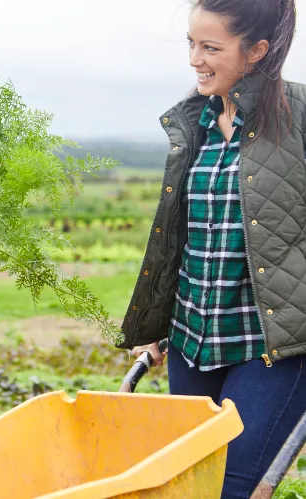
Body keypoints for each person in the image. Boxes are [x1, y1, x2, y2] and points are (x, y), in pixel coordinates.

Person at [121, 0, 306, 497]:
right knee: (190, 487)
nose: (194, 60)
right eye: (191, 43)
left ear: (257, 50)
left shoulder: (300, 116)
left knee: (231, 488)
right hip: (190, 342)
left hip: (265, 345)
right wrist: (155, 325)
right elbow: (176, 239)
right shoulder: (193, 124)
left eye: (211, 47)